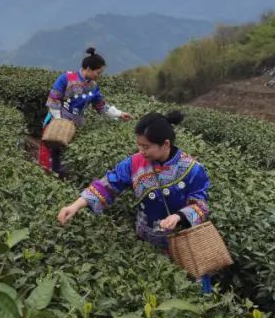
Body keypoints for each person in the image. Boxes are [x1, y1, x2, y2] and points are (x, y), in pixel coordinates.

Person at [56, 110, 215, 292]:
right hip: (147, 242)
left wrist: (179, 217)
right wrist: (75, 205)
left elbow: (201, 205)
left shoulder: (193, 169)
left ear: (165, 144)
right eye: (139, 145)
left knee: (192, 293)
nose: (141, 151)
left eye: (146, 146)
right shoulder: (134, 163)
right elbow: (107, 185)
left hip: (185, 245)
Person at [39, 47, 131, 175]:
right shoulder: (67, 78)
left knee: (64, 156)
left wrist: (120, 114)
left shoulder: (93, 86)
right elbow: (54, 100)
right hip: (56, 123)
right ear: (88, 68)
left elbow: (101, 106)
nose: (99, 76)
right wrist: (59, 121)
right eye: (98, 72)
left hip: (74, 126)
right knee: (49, 153)